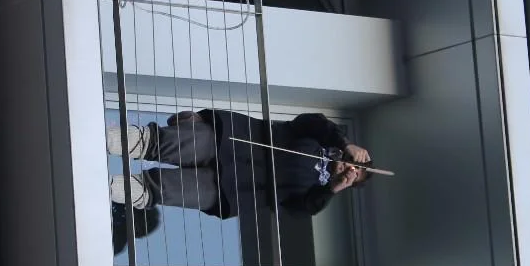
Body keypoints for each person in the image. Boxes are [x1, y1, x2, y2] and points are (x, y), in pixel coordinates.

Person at [107, 109, 373, 218]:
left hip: (230, 190)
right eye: (355, 163)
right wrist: (344, 142)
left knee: (156, 190)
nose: (350, 170)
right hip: (227, 140)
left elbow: (299, 210)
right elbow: (309, 121)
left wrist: (333, 188)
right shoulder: (323, 137)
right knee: (156, 142)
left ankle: (99, 189)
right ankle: (97, 140)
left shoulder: (319, 194)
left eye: (354, 176)